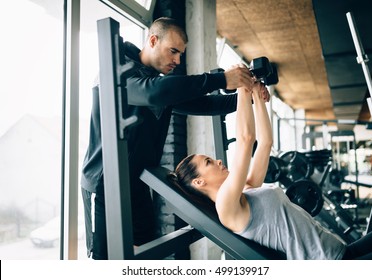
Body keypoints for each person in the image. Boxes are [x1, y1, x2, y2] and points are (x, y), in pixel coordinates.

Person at [80, 17, 255, 260]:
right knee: (105, 260)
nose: (177, 60)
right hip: (104, 183)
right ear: (152, 40)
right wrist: (221, 79)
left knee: (144, 255)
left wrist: (250, 93)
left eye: (181, 54)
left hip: (136, 182)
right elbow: (154, 93)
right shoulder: (119, 71)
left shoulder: (154, 82)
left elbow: (205, 103)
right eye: (173, 51)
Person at [173, 82, 372, 260]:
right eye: (209, 162)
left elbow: (265, 143)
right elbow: (246, 140)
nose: (219, 160)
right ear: (198, 182)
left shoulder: (246, 189)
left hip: (342, 251)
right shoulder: (226, 207)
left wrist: (256, 96)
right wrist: (242, 87)